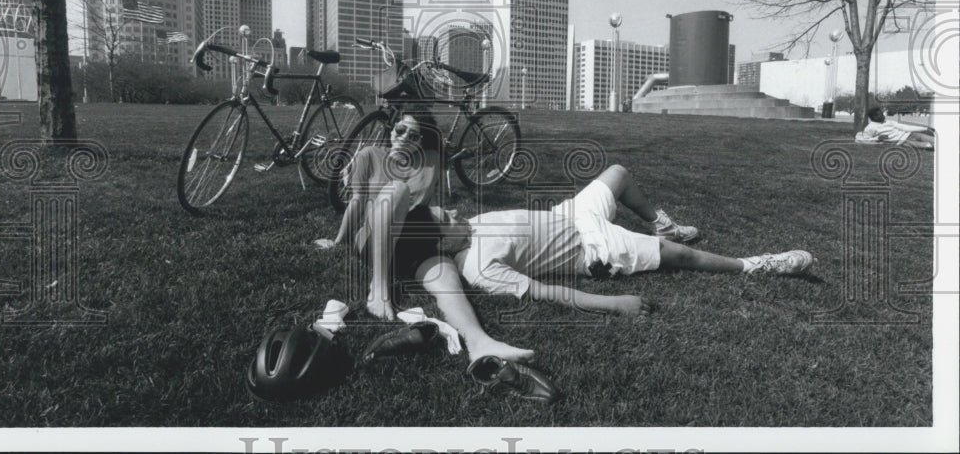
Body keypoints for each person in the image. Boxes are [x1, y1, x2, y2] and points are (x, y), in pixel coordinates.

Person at [430, 164, 813, 316]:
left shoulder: (470, 223)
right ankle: (757, 264)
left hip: (570, 214)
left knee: (618, 173)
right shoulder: (477, 267)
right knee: (680, 255)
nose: (452, 211)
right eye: (444, 219)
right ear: (440, 245)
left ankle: (660, 223)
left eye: (444, 210)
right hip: (592, 249)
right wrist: (613, 303)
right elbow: (541, 292)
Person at [316, 112, 536, 365]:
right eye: (400, 130)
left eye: (414, 135)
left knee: (448, 282)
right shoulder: (369, 155)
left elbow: (443, 185)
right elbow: (356, 202)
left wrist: (442, 215)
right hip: (374, 238)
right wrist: (338, 240)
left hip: (414, 242)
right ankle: (379, 287)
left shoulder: (430, 162)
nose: (405, 138)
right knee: (398, 189)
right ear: (391, 130)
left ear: (421, 140)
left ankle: (480, 343)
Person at [858, 105, 935, 150]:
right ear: (874, 117)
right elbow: (863, 140)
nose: (883, 115)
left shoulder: (889, 122)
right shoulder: (870, 127)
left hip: (911, 135)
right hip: (903, 141)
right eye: (881, 114)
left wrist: (925, 128)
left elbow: (905, 127)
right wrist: (877, 138)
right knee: (930, 146)